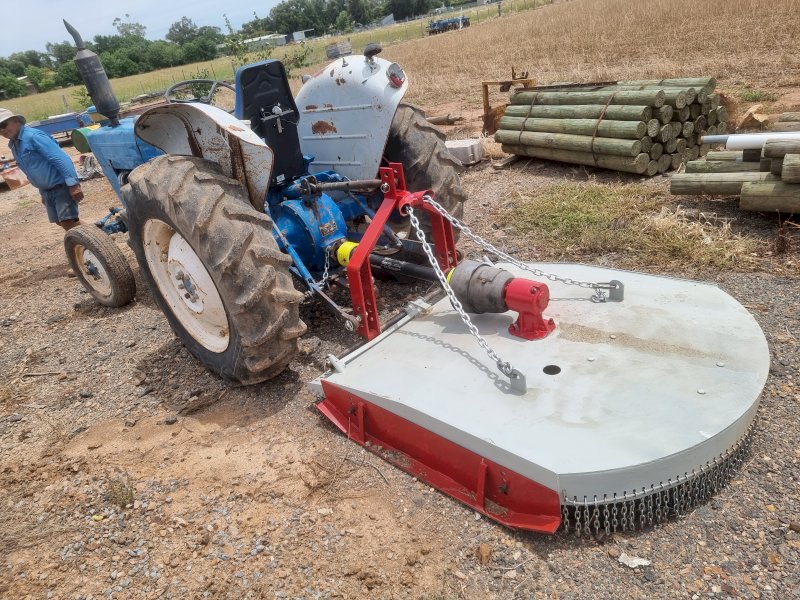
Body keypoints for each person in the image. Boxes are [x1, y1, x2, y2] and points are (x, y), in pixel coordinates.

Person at [0, 108, 85, 231]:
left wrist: (73, 184)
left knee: (68, 221)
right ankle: (100, 235)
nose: (2, 130)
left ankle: (97, 243)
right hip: (47, 191)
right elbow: (31, 170)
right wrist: (43, 192)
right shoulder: (14, 144)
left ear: (16, 121)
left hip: (60, 186)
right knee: (60, 221)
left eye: (3, 125)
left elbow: (60, 159)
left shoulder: (34, 136)